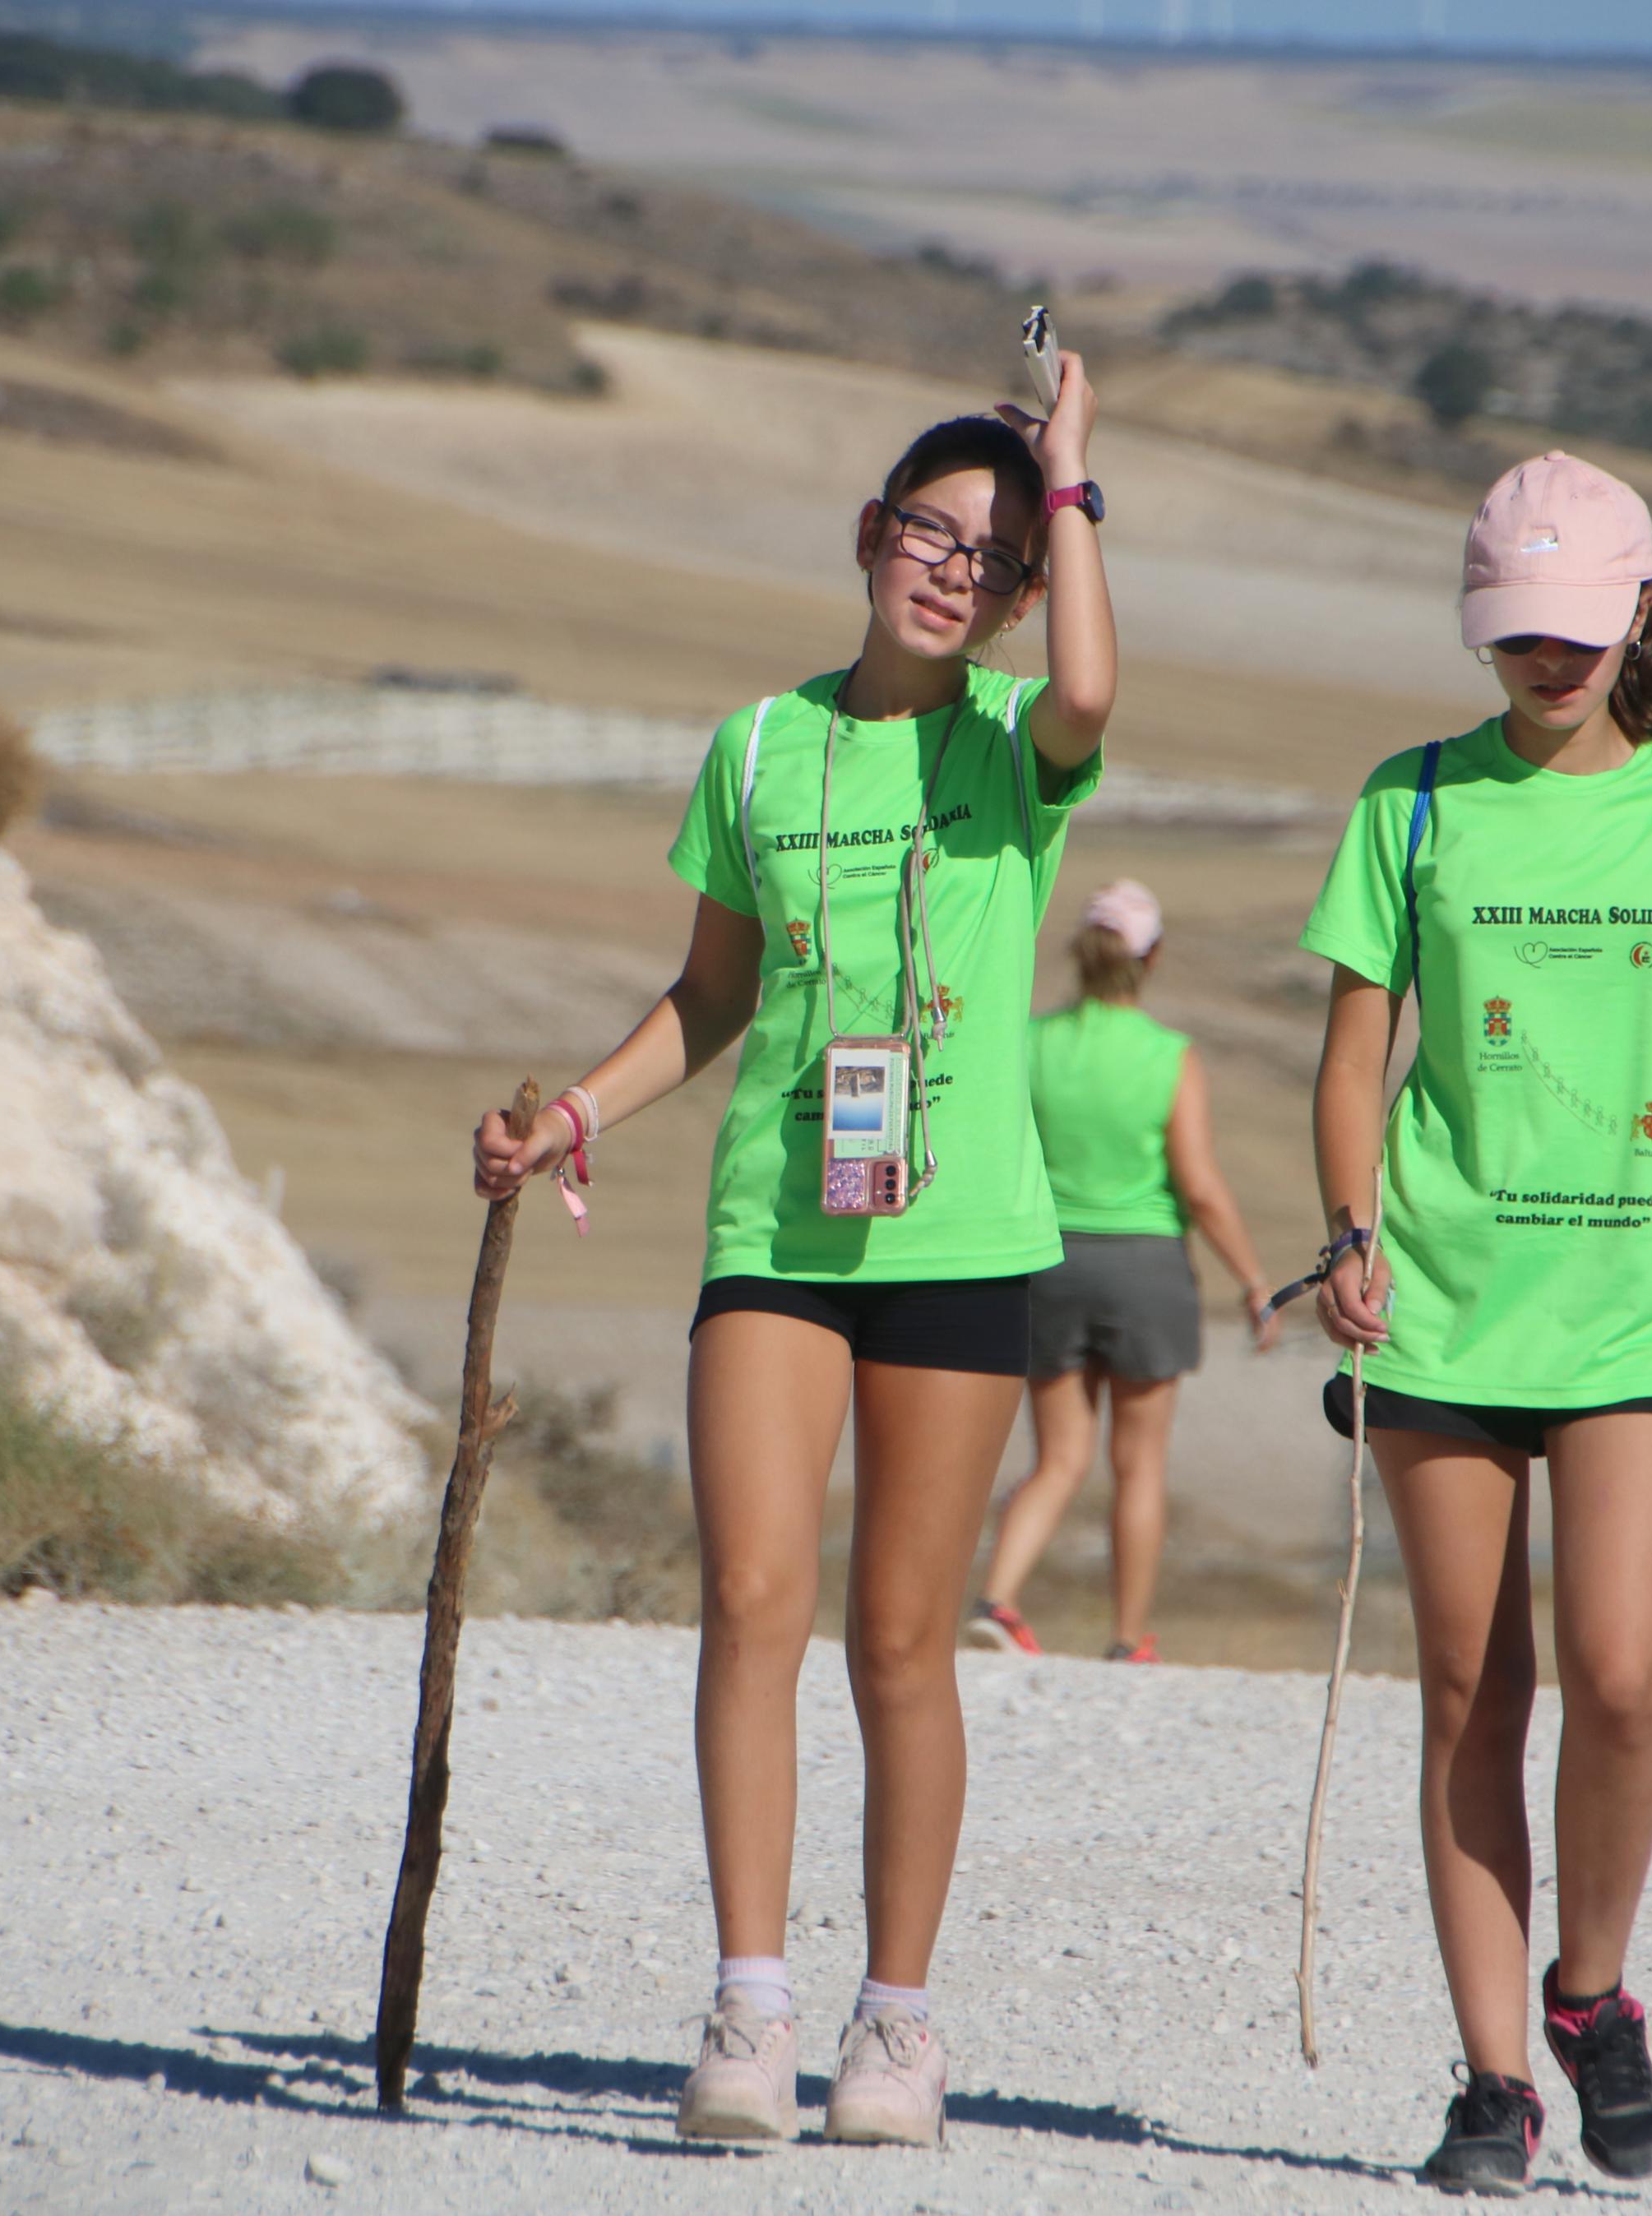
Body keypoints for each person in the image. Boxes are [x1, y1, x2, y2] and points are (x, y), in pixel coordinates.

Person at [469, 360, 1115, 2147]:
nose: (951, 573)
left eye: (991, 559)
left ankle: (892, 2028)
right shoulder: (753, 745)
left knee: (899, 1636)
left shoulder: (1011, 752)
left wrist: (1066, 476)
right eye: (929, 531)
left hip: (961, 1243)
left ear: (1020, 593)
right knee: (751, 1602)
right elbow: (711, 995)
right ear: (867, 535)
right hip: (775, 1228)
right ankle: (747, 2008)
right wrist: (573, 1118)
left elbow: (1091, 689)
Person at [1300, 452, 1652, 2194]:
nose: (1544, 656)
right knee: (1466, 1689)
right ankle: (1490, 2082)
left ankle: (1586, 1996)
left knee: (1615, 1675)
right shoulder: (1408, 802)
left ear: (1638, 612)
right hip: (1439, 1310)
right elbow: (1351, 1049)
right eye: (1512, 627)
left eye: (1576, 626)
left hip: (1640, 1312)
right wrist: (1347, 1230)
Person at [966, 878, 1282, 1665]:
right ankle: (1128, 1636)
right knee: (1137, 1466)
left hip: (1047, 1264)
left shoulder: (1030, 1042)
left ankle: (998, 1602)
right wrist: (1251, 1281)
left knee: (1059, 1457)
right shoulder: (1167, 1057)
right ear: (1152, 958)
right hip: (1145, 1270)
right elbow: (1200, 1186)